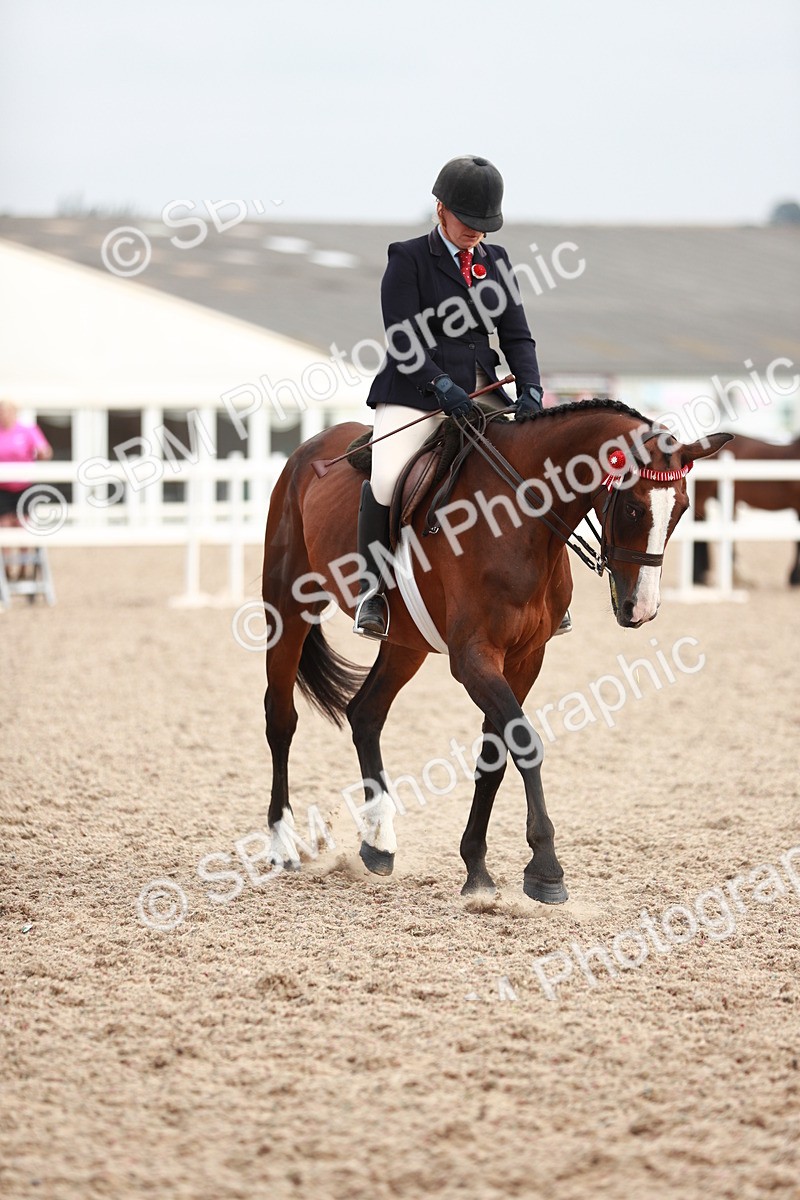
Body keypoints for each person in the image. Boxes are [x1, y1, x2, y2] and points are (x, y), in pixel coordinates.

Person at [354, 154, 570, 640]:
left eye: (484, 223)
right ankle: (373, 591)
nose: (476, 231)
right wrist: (440, 385)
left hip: (481, 388)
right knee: (386, 478)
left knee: (534, 468)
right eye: (467, 220)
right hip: (414, 389)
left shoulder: (497, 262)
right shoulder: (408, 258)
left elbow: (517, 335)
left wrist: (531, 387)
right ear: (440, 210)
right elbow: (402, 339)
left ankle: (550, 590)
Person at [0, 401, 53, 580]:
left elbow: (45, 450)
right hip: (2, 488)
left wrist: (43, 453)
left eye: (6, 411)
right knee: (4, 526)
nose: (3, 415)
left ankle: (24, 568)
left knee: (22, 525)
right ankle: (7, 568)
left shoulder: (27, 430)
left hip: (24, 486)